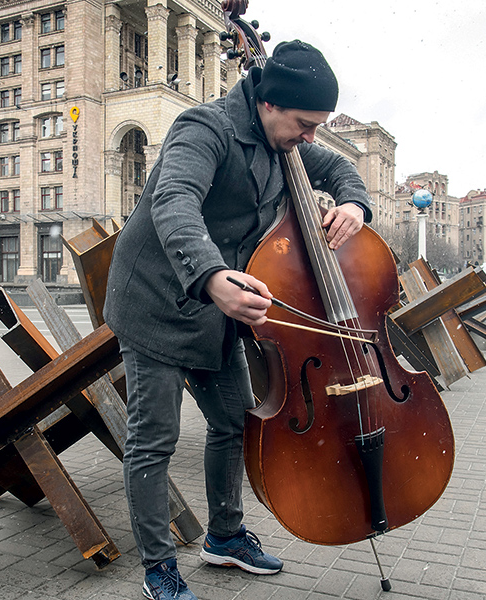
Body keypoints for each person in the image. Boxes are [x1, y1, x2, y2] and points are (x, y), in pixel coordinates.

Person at [103, 5, 373, 599]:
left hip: (223, 307)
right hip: (160, 300)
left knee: (232, 423)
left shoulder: (291, 142)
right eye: (304, 123)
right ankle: (158, 570)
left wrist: (354, 204)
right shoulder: (205, 129)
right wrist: (211, 276)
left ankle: (224, 539)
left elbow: (343, 167)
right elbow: (173, 201)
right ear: (268, 103)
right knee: (155, 438)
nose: (310, 138)